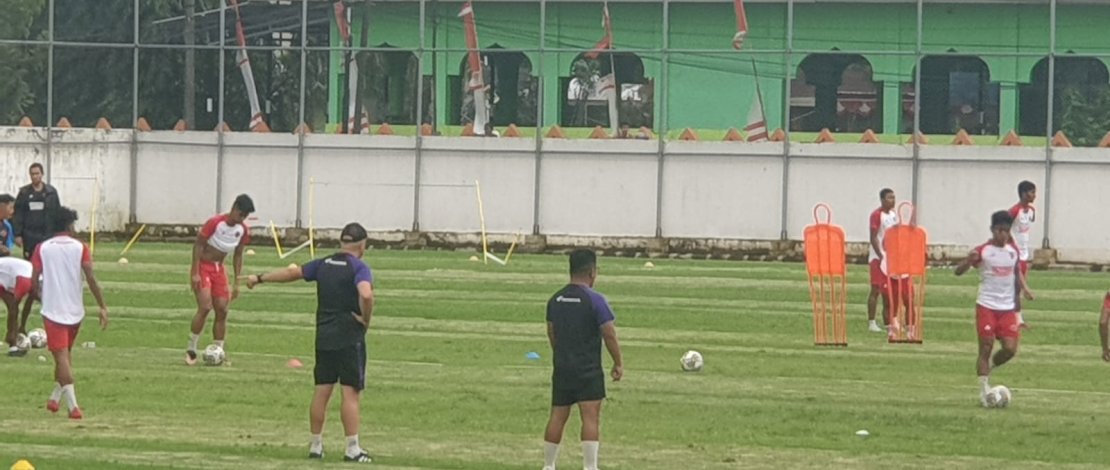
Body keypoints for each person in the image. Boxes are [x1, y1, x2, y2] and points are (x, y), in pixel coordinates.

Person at [245, 222, 374, 463]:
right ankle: (352, 448)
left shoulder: (323, 263)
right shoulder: (359, 267)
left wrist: (259, 278)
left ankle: (316, 445)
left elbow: (292, 273)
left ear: (342, 242)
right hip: (349, 337)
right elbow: (366, 294)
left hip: (323, 336)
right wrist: (365, 319)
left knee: (321, 391)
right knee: (350, 393)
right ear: (362, 245)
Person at [541, 249, 623, 470]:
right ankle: (590, 466)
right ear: (592, 272)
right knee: (590, 416)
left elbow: (552, 332)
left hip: (563, 367)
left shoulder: (555, 299)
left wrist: (560, 354)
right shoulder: (595, 300)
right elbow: (609, 333)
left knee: (558, 415)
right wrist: (618, 362)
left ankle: (549, 465)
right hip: (588, 369)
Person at [31, 206, 108, 420]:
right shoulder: (81, 247)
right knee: (64, 356)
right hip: (75, 310)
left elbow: (33, 279)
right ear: (69, 225)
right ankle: (61, 401)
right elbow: (91, 277)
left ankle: (68, 403)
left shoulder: (42, 248)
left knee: (62, 357)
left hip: (53, 311)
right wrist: (102, 305)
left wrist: (40, 295)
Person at [955, 210, 1033, 407]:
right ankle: (984, 393)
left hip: (1006, 309)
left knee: (1010, 349)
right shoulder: (983, 251)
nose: (1003, 235)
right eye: (999, 230)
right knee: (986, 346)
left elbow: (1016, 275)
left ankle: (988, 368)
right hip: (987, 306)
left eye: (1006, 231)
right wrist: (967, 260)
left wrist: (1022, 297)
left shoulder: (1012, 252)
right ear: (992, 230)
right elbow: (958, 272)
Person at [186, 194, 254, 365]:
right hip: (203, 266)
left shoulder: (242, 230)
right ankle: (191, 349)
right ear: (234, 208)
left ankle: (219, 351)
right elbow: (198, 245)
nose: (242, 219)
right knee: (205, 306)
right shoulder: (215, 223)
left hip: (219, 269)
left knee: (222, 309)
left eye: (245, 217)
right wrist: (195, 272)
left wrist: (236, 282)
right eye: (241, 214)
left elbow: (238, 255)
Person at [14, 163, 62, 260]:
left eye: (37, 173)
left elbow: (58, 213)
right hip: (30, 236)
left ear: (42, 174)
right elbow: (18, 214)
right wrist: (18, 234)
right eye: (32, 174)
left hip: (48, 234)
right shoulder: (24, 193)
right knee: (30, 264)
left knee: (48, 262)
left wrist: (59, 232)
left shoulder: (51, 192)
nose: (35, 176)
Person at [867, 188, 899, 333]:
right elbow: (873, 237)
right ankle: (871, 322)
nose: (893, 200)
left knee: (889, 291)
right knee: (876, 289)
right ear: (882, 200)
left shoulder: (893, 215)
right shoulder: (876, 215)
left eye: (894, 197)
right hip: (878, 258)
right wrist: (880, 255)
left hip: (891, 258)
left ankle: (889, 322)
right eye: (889, 198)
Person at [1008, 180, 1036, 329]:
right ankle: (1017, 320)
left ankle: (1016, 318)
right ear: (1023, 194)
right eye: (1032, 192)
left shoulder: (1031, 211)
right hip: (1014, 255)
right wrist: (1011, 245)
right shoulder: (1014, 211)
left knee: (1017, 288)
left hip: (1024, 255)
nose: (1034, 195)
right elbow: (1004, 228)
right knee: (1016, 287)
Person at [1, 254, 34, 357]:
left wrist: (22, 326)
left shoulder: (36, 281)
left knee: (14, 308)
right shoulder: (26, 282)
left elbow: (28, 306)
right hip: (4, 276)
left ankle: (13, 345)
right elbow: (13, 308)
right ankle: (12, 343)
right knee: (13, 307)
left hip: (8, 275)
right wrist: (12, 332)